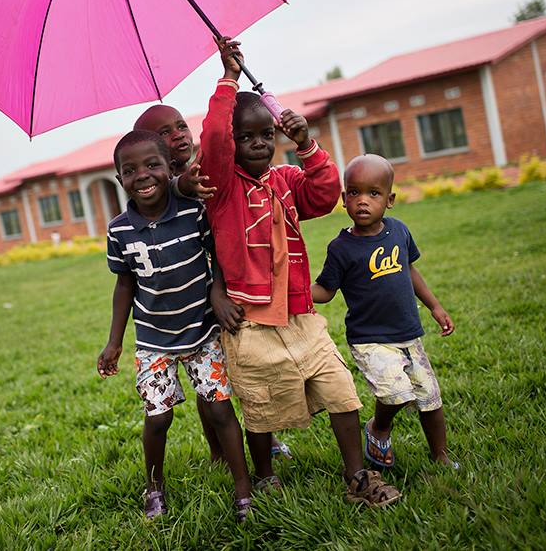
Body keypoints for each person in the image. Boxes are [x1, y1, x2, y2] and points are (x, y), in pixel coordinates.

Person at [197, 37, 402, 507]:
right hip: (250, 322)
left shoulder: (286, 180)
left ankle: (357, 477)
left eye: (266, 135)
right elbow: (212, 139)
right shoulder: (221, 188)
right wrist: (228, 77)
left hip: (302, 315)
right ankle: (265, 476)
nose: (259, 144)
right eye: (246, 137)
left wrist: (306, 144)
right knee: (261, 406)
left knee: (340, 388)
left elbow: (326, 192)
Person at [97, 130, 253, 521]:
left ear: (170, 169)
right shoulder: (118, 230)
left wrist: (218, 294)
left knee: (220, 409)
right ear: (119, 179)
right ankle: (154, 488)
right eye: (130, 170)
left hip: (202, 331)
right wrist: (114, 341)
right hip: (153, 340)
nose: (143, 175)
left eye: (152, 165)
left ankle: (243, 489)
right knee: (158, 417)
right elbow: (124, 283)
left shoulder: (192, 211)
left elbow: (217, 256)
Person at [134, 104, 293, 462]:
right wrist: (180, 184)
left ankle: (264, 438)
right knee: (210, 387)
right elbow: (170, 189)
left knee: (244, 369)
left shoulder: (207, 168)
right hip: (190, 303)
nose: (178, 135)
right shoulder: (160, 190)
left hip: (231, 284)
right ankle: (219, 452)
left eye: (179, 126)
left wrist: (218, 290)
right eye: (164, 133)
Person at [312, 154, 458, 470]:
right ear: (343, 199)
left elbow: (410, 271)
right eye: (354, 193)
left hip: (408, 332)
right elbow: (325, 291)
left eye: (373, 193)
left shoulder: (399, 231)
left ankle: (440, 454)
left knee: (429, 397)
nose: (362, 201)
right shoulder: (341, 248)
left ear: (389, 199)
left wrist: (435, 306)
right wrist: (294, 291)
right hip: (370, 339)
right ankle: (378, 427)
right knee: (395, 394)